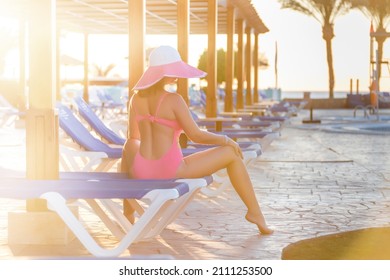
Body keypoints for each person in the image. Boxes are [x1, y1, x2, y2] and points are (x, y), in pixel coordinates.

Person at [121, 45, 273, 234]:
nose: (177, 75)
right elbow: (196, 135)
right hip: (170, 169)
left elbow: (133, 138)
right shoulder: (174, 99)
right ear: (161, 73)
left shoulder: (135, 99)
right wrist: (226, 140)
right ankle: (255, 213)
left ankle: (127, 212)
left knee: (129, 145)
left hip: (141, 170)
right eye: (173, 70)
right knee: (231, 154)